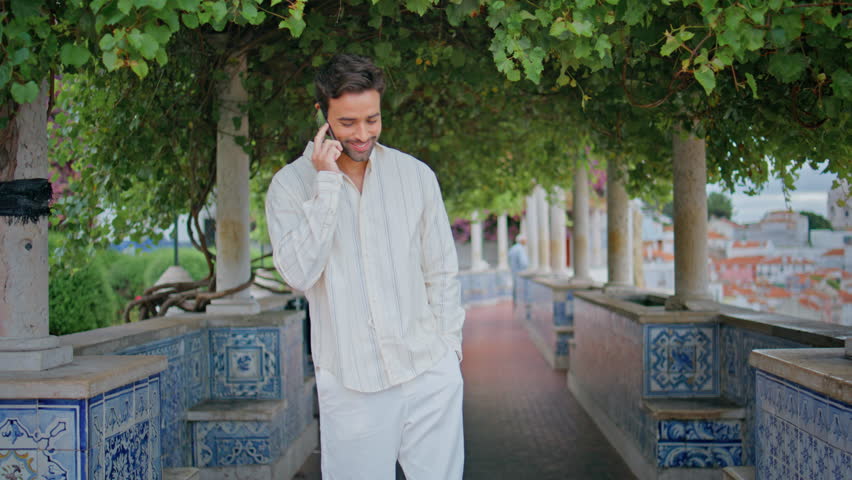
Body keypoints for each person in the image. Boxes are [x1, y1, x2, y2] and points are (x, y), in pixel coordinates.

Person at [265, 54, 464, 480]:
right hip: (351, 384)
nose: (362, 134)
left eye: (372, 120)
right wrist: (326, 184)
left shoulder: (416, 176)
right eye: (348, 122)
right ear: (322, 115)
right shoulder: (290, 186)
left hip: (428, 371)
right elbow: (298, 275)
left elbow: (441, 271)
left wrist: (449, 354)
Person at [507, 234, 529, 303]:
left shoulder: (513, 248)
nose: (526, 241)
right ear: (522, 241)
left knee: (516, 291)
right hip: (520, 274)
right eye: (525, 240)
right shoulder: (520, 249)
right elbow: (524, 263)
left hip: (514, 273)